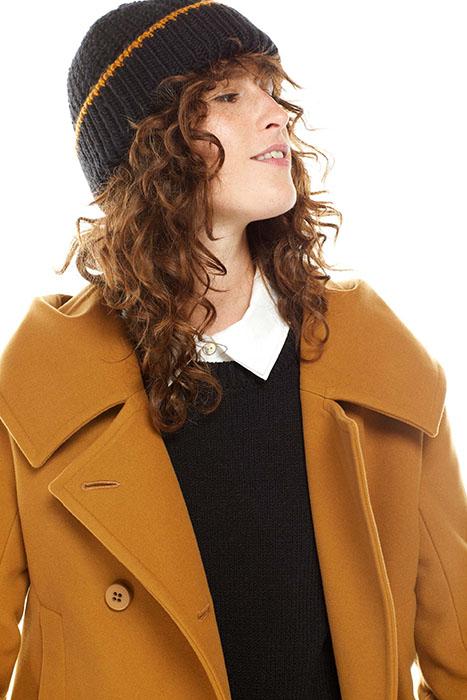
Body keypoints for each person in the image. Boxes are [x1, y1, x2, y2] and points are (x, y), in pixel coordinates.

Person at [0, 1, 466, 698]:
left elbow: (458, 644)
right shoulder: (42, 385)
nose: (276, 114)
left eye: (269, 89)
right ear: (149, 146)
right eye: (225, 95)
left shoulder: (375, 358)